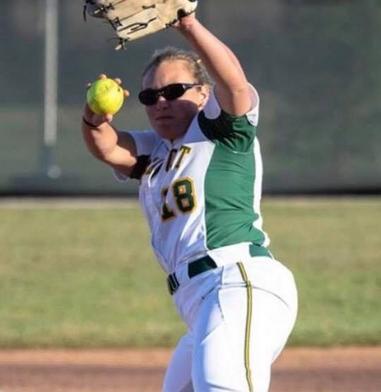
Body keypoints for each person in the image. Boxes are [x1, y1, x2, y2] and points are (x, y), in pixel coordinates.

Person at [81, 13, 298, 392]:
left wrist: (189, 26)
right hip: (200, 301)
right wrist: (94, 117)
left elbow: (233, 82)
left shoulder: (219, 130)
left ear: (202, 93)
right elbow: (107, 147)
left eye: (174, 90)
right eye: (150, 96)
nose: (161, 102)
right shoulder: (158, 152)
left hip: (237, 281)